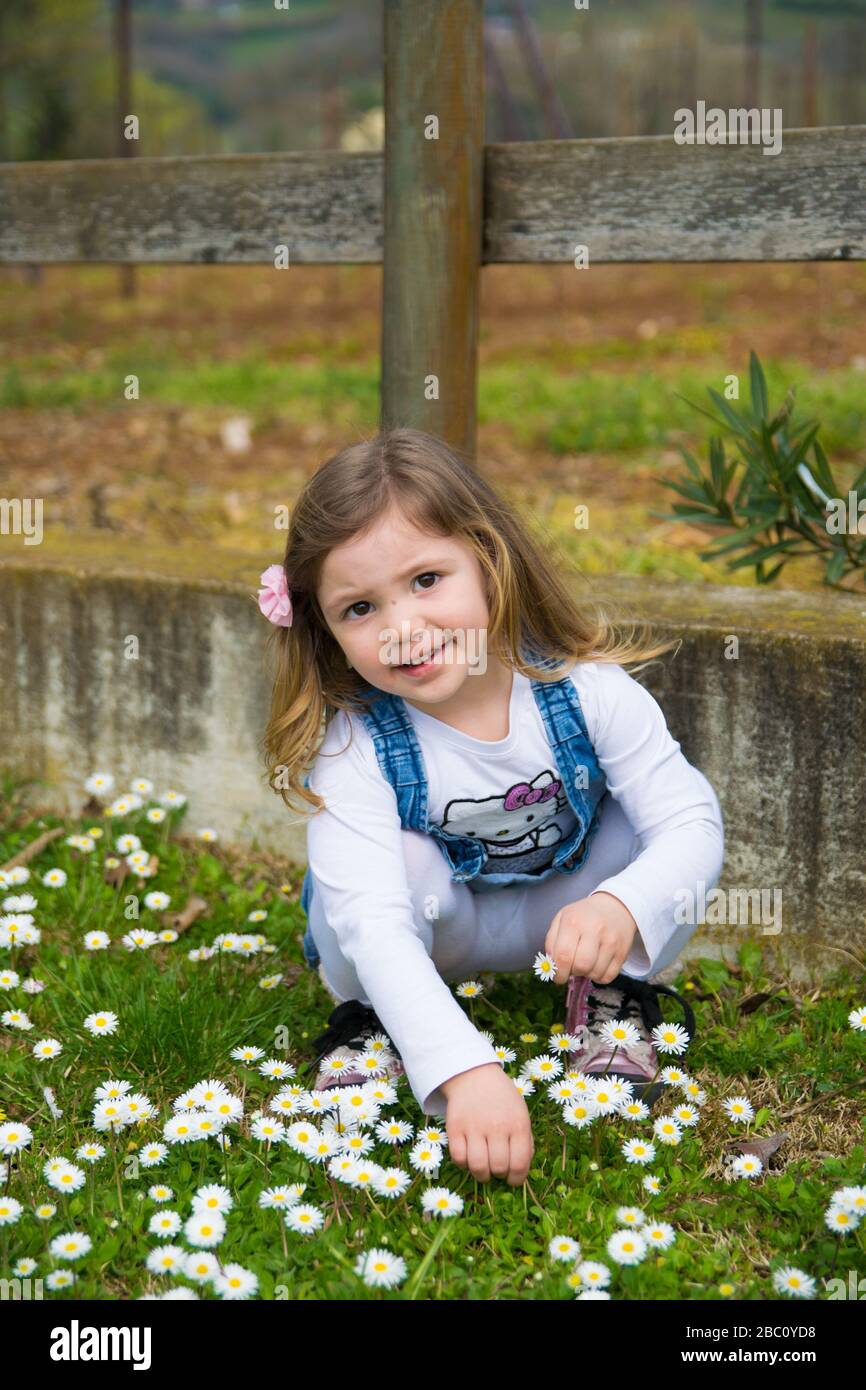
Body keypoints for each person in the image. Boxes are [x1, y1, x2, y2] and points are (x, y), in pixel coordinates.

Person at [258, 427, 724, 1187]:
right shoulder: (358, 747)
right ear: (327, 631)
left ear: (489, 557)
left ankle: (608, 990)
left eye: (427, 579)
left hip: (568, 923)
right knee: (380, 883)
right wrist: (464, 1070)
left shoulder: (587, 693)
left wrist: (624, 904)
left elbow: (691, 822)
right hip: (441, 930)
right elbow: (372, 920)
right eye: (360, 608)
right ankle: (379, 1020)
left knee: (653, 815)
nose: (402, 627)